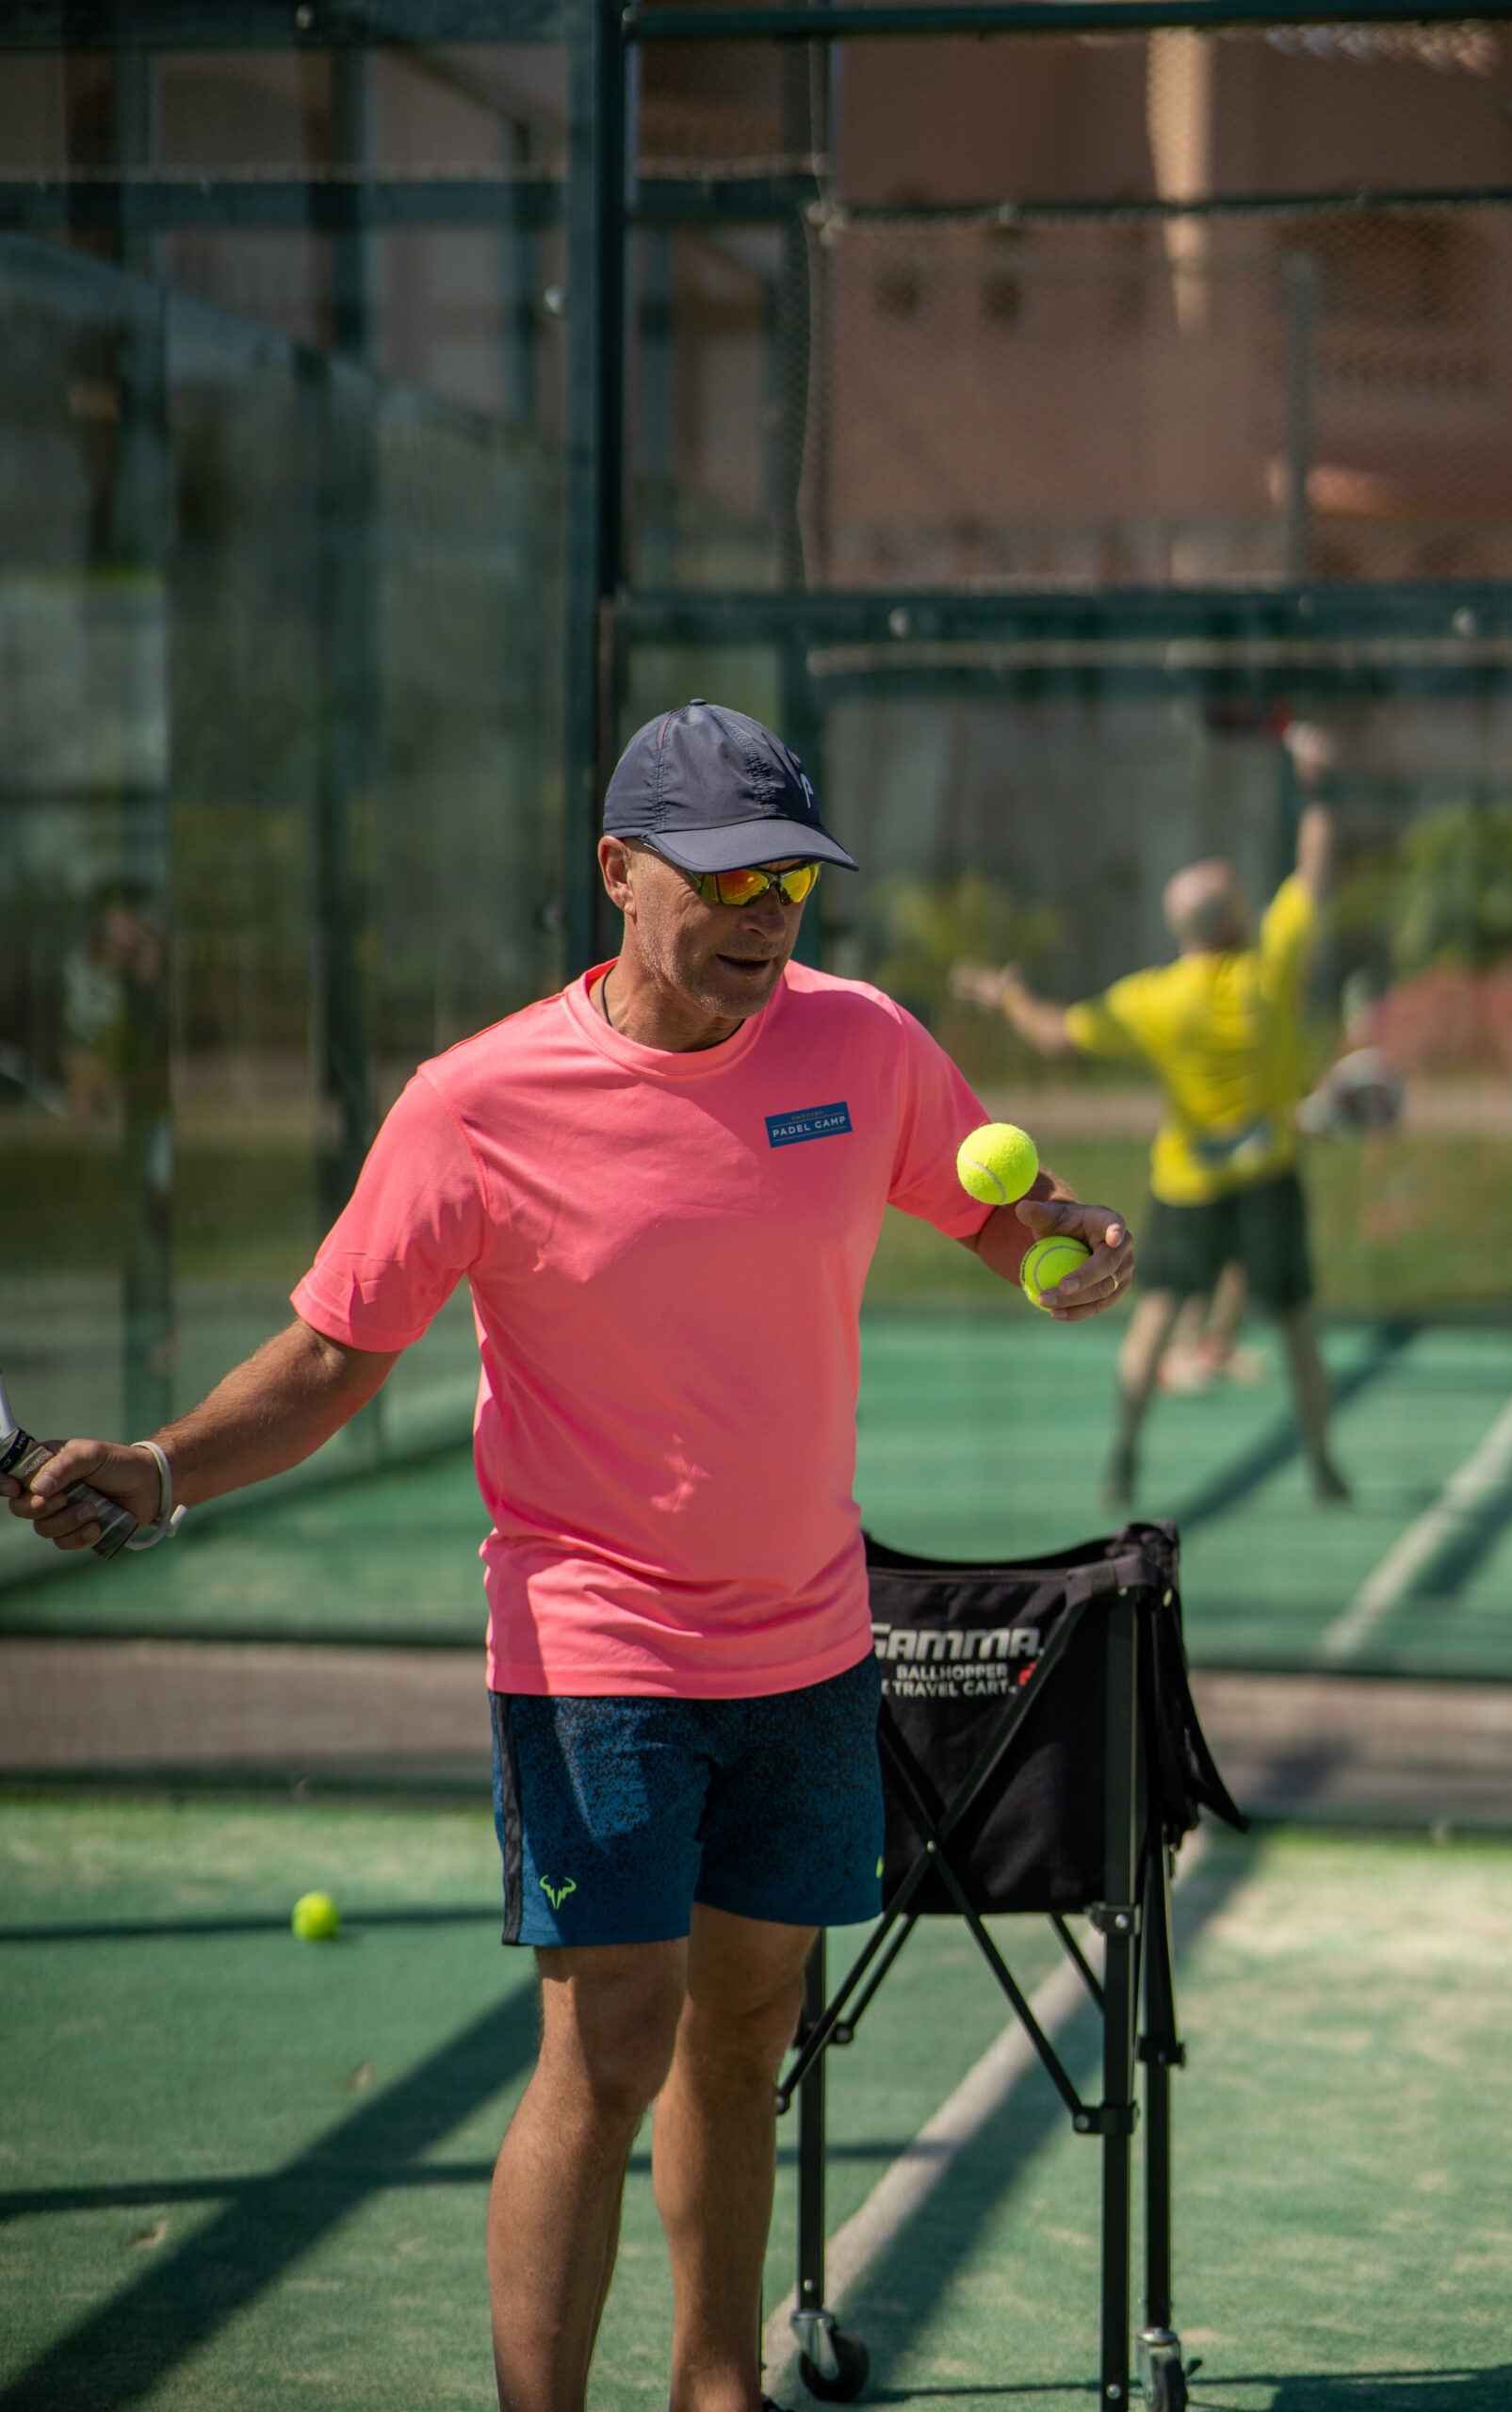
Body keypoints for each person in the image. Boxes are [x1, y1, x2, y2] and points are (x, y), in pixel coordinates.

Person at [5, 701, 1133, 2412]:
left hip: (810, 1639)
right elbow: (327, 1360)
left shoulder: (866, 1046)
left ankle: (714, 2382)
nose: (764, 917)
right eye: (726, 878)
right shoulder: (474, 1105)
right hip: (592, 1644)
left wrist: (1056, 1238)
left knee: (746, 2041)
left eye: (794, 886)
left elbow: (984, 1202)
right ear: (618, 873)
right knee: (608, 2046)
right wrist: (164, 1471)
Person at [951, 802, 1345, 1508]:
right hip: (1266, 1182)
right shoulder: (1269, 972)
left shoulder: (1155, 999)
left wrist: (1008, 995)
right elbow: (1312, 875)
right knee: (1295, 1326)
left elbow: (1058, 1037)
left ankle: (1122, 1461)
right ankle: (1321, 1466)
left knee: (1157, 1318)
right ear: (1232, 921)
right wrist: (1315, 790)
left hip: (1187, 1186)